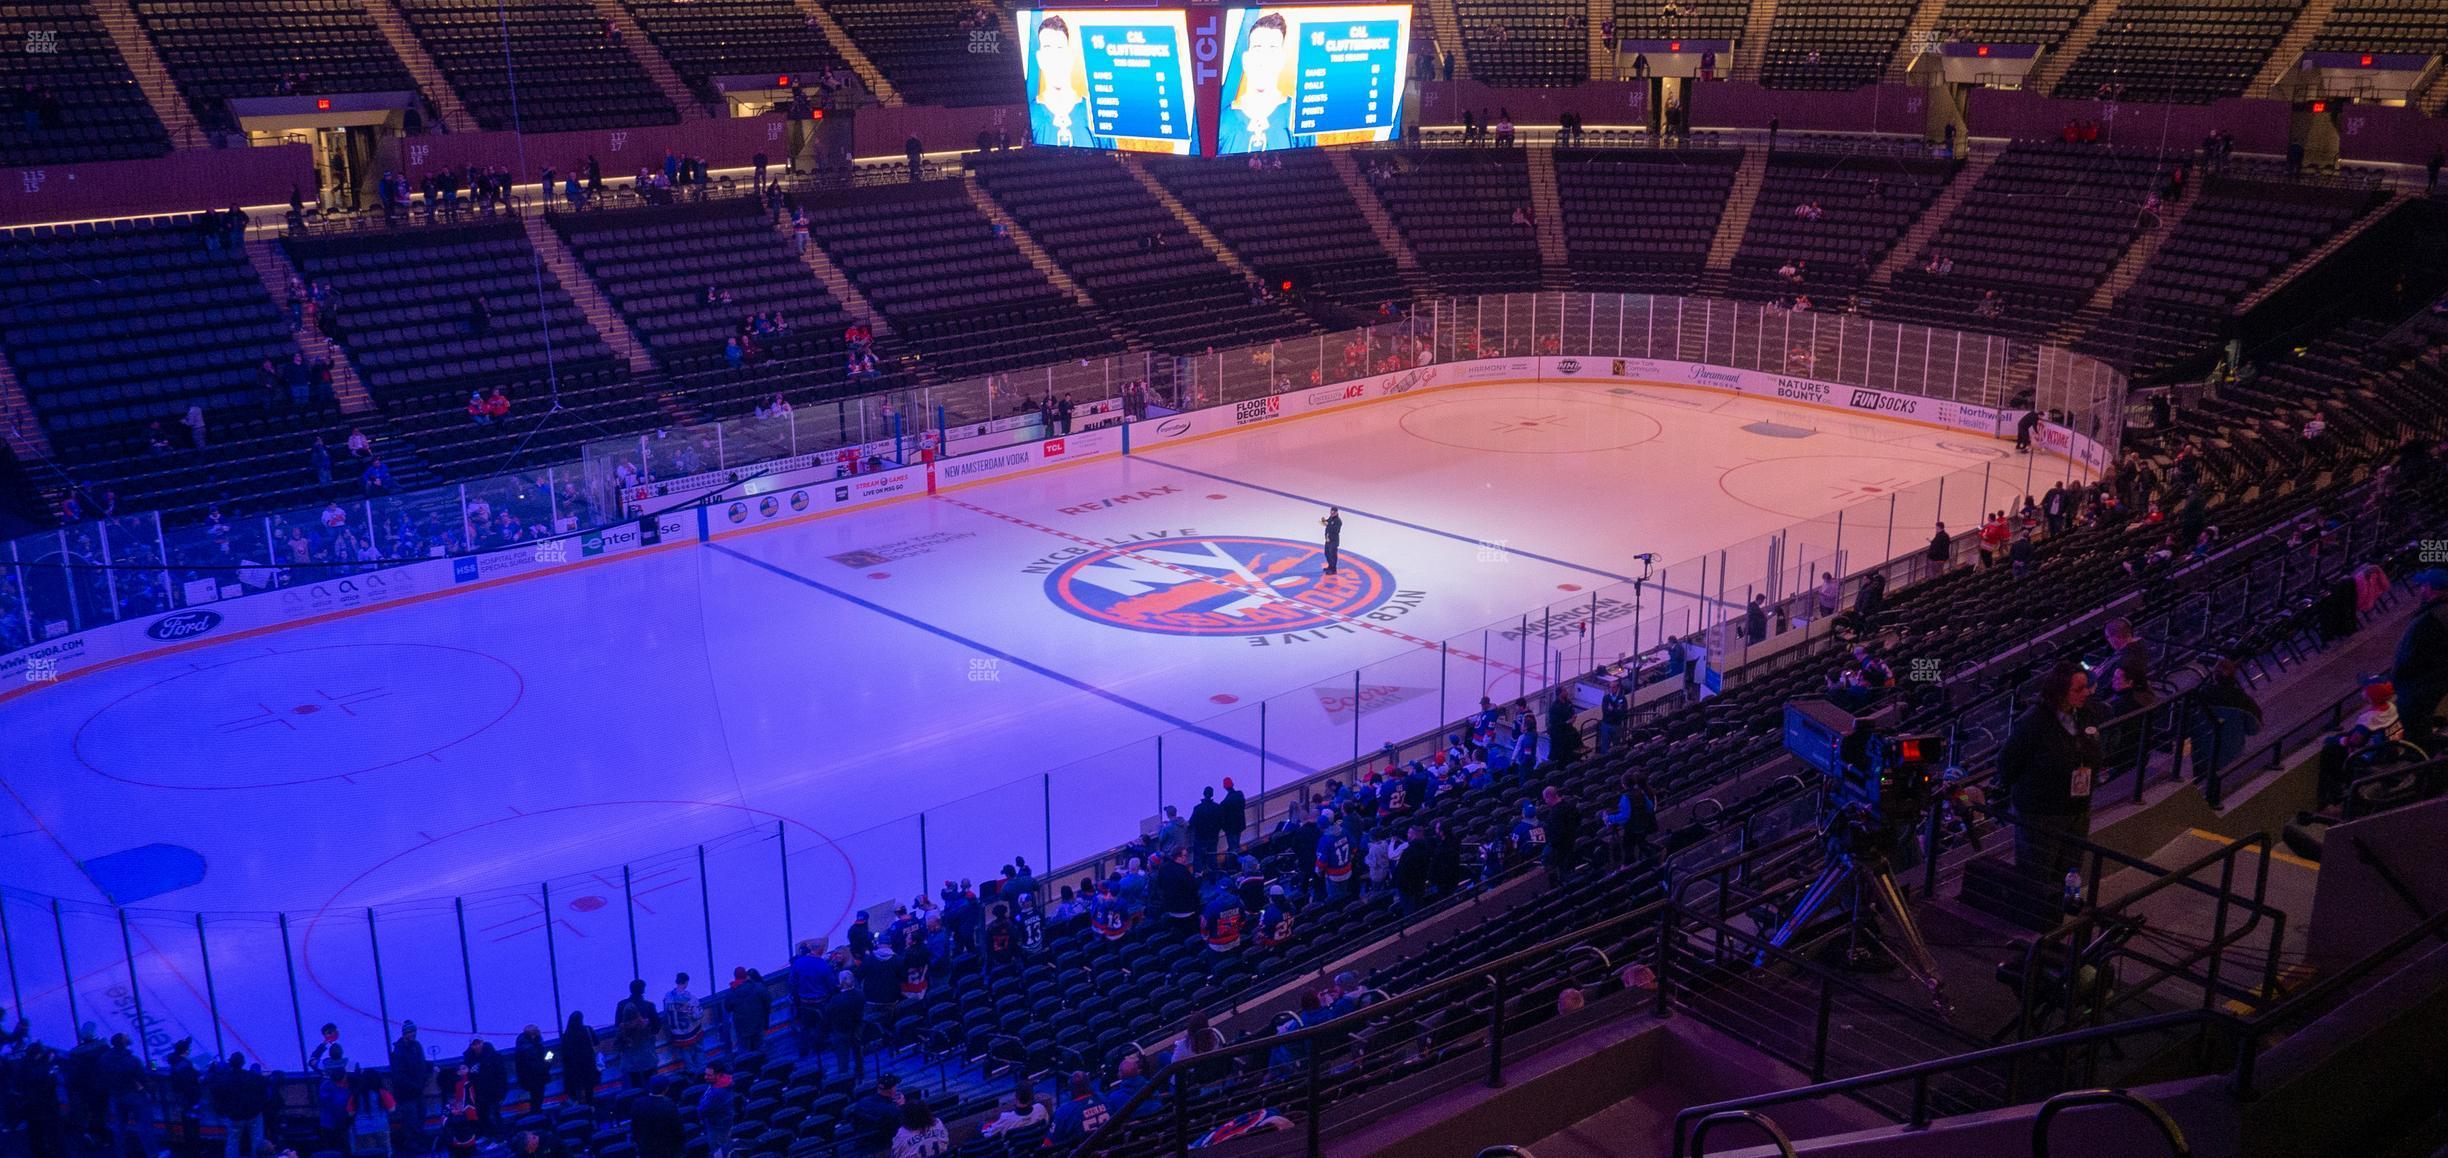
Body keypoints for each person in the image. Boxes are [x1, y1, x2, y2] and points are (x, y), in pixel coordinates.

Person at [1996, 661, 2101, 880]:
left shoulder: (2085, 714)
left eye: (2086, 687)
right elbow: (2007, 762)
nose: (2086, 693)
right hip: (2041, 813)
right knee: (2037, 875)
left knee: (2068, 872)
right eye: (2078, 689)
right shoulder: (2033, 721)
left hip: (2077, 808)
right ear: (2060, 691)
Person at [1220, 12, 1295, 153]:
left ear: (1281, 60)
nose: (1264, 59)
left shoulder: (1295, 117)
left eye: (1272, 49)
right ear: (1246, 60)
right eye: (1258, 49)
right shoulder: (1223, 121)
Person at [1028, 16, 1102, 148]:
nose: (1055, 57)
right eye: (1048, 48)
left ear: (1070, 56)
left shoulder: (1095, 114)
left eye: (1060, 48)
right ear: (1040, 59)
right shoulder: (1031, 115)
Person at [2392, 569, 2448, 739]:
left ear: (2433, 589)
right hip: (2425, 684)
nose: (2422, 589)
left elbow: (2415, 655)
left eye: (2425, 585)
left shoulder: (2435, 617)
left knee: (2418, 734)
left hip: (2422, 686)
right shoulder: (2436, 612)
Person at [390, 1022, 433, 1149]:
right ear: (404, 1033)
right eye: (409, 1032)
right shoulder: (399, 1050)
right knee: (411, 1119)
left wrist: (431, 1066)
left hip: (418, 1090)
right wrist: (414, 1085)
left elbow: (420, 1064)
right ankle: (411, 1144)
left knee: (421, 1115)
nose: (412, 1034)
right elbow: (399, 1074)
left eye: (413, 1031)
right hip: (407, 1094)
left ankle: (418, 1142)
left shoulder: (416, 1046)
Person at [628, 1079, 684, 1158]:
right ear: (666, 1089)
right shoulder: (670, 1105)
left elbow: (634, 1128)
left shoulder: (637, 1103)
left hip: (646, 1148)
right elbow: (678, 1130)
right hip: (667, 1149)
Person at [663, 973, 706, 1074]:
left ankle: (691, 1074)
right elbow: (696, 1015)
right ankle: (701, 1073)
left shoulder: (667, 998)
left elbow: (666, 1012)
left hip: (678, 1034)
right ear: (686, 982)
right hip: (692, 1032)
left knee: (686, 1054)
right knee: (699, 1051)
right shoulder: (691, 999)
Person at [555, 1012, 599, 1107]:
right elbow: (596, 1044)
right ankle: (591, 1109)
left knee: (579, 1093)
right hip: (589, 1067)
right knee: (589, 1092)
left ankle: (581, 1110)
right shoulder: (587, 1030)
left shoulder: (567, 1035)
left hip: (574, 1071)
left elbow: (564, 1054)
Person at [696, 1062, 739, 1158]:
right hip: (725, 1122)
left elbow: (702, 1111)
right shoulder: (725, 1081)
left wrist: (701, 1103)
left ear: (719, 1075)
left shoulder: (717, 1093)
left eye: (709, 1075)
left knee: (719, 1153)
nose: (705, 1077)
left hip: (717, 1128)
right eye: (705, 1074)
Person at [725, 967, 770, 1053]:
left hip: (742, 1027)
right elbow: (767, 1000)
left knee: (745, 1050)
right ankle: (762, 1061)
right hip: (758, 1023)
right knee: (760, 1046)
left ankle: (749, 1064)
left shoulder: (731, 993)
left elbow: (727, 1007)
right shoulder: (757, 987)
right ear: (746, 975)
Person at [512, 1026, 549, 1113]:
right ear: (534, 1034)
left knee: (535, 1098)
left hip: (528, 1078)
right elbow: (537, 1066)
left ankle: (536, 1114)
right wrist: (548, 1063)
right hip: (535, 1078)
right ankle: (537, 1115)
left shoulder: (523, 1045)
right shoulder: (530, 1048)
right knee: (537, 1098)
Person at [1320, 506, 1343, 574]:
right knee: (1327, 553)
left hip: (1333, 541)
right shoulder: (1331, 518)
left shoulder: (1338, 521)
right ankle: (1330, 566)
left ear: (1336, 512)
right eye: (1331, 512)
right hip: (1328, 539)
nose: (1332, 513)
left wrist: (1328, 524)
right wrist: (1324, 521)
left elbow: (1336, 530)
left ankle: (1333, 569)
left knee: (1333, 554)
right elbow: (1328, 522)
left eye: (1333, 512)